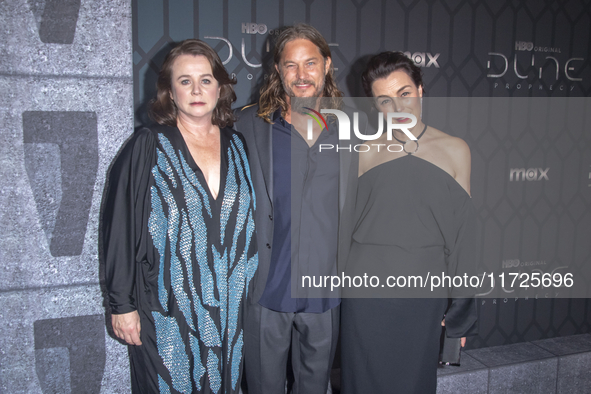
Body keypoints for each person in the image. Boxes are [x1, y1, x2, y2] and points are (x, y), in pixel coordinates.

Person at [101, 39, 257, 394]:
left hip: (231, 312)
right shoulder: (148, 145)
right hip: (167, 310)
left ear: (221, 86)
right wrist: (121, 305)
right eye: (185, 81)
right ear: (170, 92)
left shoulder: (238, 145)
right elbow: (120, 228)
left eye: (206, 79)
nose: (197, 89)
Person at [233, 24, 364, 394]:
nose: (301, 74)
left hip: (326, 293)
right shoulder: (247, 126)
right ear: (278, 71)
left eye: (310, 63)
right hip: (267, 289)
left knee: (315, 386)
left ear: (326, 65)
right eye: (291, 65)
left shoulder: (353, 132)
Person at [340, 51, 478, 393]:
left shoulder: (455, 149)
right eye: (384, 100)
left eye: (403, 94)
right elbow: (343, 230)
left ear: (420, 89)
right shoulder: (362, 152)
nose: (397, 108)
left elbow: (464, 236)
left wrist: (460, 314)